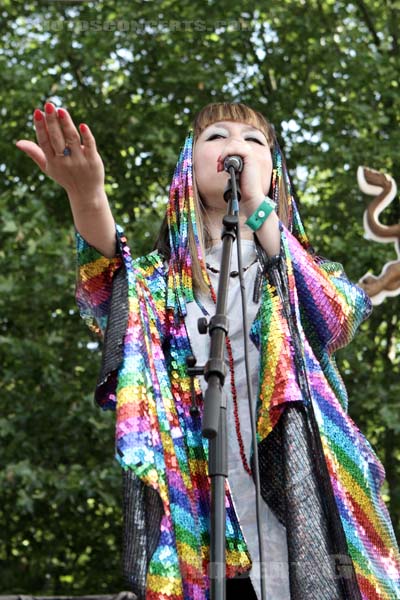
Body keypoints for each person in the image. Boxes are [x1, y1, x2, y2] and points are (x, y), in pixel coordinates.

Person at [16, 101, 400, 600]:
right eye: (216, 137)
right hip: (203, 514)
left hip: (300, 506)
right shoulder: (160, 284)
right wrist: (87, 194)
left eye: (254, 141)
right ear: (188, 168)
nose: (235, 146)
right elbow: (107, 283)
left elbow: (336, 313)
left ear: (273, 172)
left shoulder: (289, 269)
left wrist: (261, 209)